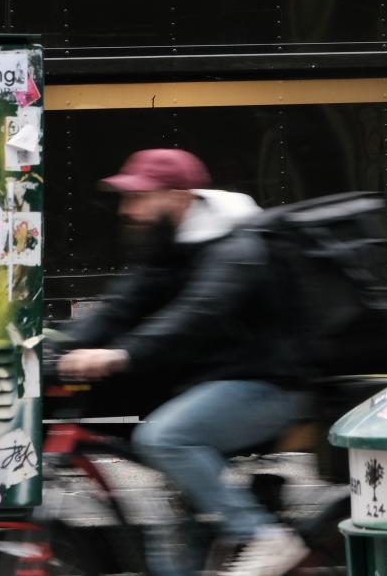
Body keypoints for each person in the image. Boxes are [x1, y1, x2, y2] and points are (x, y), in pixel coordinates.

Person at [59, 148, 310, 576]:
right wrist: (58, 350)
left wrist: (121, 354)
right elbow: (120, 307)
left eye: (139, 198)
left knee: (164, 439)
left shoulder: (237, 242)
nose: (128, 210)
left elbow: (199, 312)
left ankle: (263, 537)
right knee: (174, 523)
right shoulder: (168, 245)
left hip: (269, 385)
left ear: (179, 195)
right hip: (213, 386)